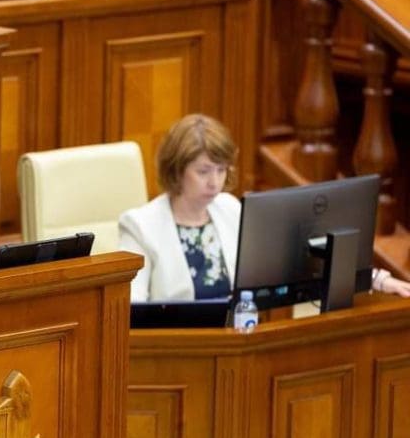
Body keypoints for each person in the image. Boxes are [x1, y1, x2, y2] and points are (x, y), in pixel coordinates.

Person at [119, 113, 410, 302]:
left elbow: (297, 261)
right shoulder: (140, 226)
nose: (214, 181)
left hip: (237, 342)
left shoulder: (230, 209)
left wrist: (375, 279)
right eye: (203, 171)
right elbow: (131, 308)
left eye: (221, 170)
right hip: (175, 354)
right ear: (176, 169)